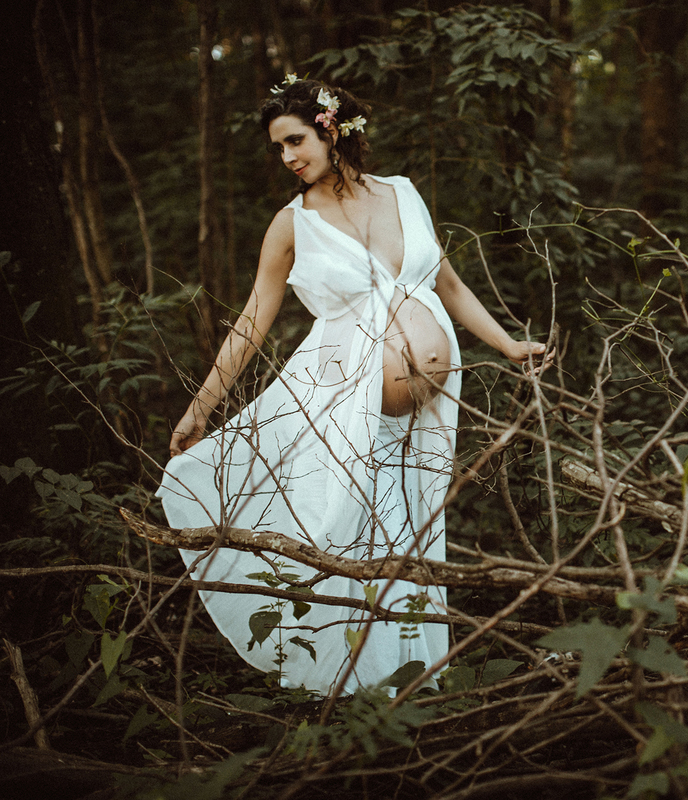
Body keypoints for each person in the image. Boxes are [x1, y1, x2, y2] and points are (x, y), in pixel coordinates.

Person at [157, 77, 548, 695]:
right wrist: (202, 407)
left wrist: (506, 344)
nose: (287, 157)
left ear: (331, 129)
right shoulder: (291, 224)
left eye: (295, 140)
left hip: (424, 417)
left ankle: (417, 684)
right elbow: (253, 321)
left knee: (415, 534)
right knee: (346, 533)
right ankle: (355, 687)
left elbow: (446, 283)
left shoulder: (403, 195)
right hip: (338, 400)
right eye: (279, 148)